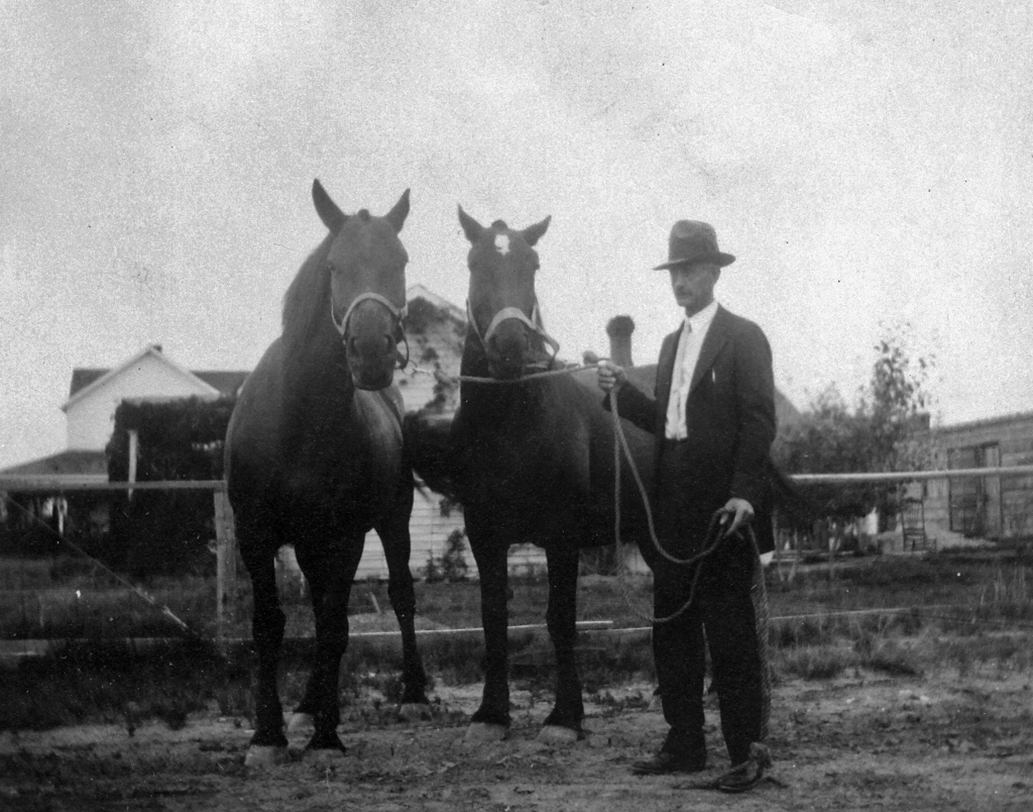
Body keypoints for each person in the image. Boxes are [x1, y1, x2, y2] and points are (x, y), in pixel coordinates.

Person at [597, 219, 776, 793]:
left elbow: (758, 421)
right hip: (670, 509)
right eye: (674, 271)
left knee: (730, 634)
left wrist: (745, 492)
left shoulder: (745, 338)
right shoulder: (672, 344)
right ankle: (684, 743)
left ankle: (747, 751)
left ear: (714, 272)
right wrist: (619, 392)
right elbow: (665, 423)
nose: (681, 281)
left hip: (724, 512)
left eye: (691, 270)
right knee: (671, 628)